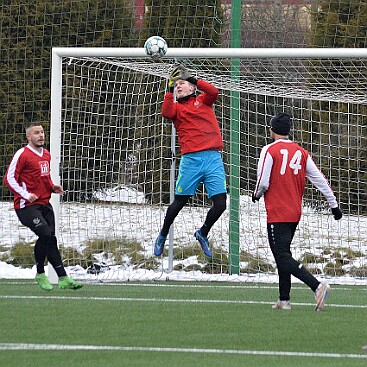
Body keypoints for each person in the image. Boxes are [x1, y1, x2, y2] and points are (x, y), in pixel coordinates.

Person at [252, 113, 342, 311]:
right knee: (283, 254)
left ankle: (317, 286)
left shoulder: (269, 150)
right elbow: (319, 179)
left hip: (277, 211)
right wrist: (333, 205)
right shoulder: (301, 152)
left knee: (282, 255)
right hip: (294, 212)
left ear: (272, 130)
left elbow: (263, 181)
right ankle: (284, 299)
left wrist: (256, 194)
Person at [154, 64, 227, 258]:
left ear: (192, 88)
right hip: (191, 161)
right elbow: (166, 113)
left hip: (212, 159)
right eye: (176, 84)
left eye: (182, 83)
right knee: (178, 203)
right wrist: (169, 89)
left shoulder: (203, 101)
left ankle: (202, 233)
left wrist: (193, 78)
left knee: (220, 204)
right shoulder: (176, 108)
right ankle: (162, 235)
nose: (178, 86)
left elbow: (214, 91)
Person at [4, 123, 83, 291]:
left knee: (50, 239)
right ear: (28, 136)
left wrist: (52, 187)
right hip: (26, 206)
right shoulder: (22, 154)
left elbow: (43, 178)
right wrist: (25, 194)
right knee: (45, 234)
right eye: (36, 133)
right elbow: (9, 179)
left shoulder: (45, 154)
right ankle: (40, 273)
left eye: (42, 132)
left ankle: (63, 278)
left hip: (44, 204)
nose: (41, 135)